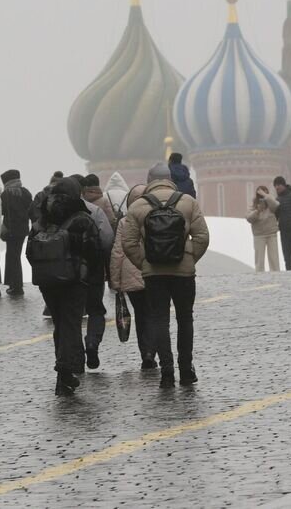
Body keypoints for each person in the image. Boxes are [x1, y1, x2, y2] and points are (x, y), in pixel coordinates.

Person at [120, 162, 210, 388]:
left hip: (154, 274)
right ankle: (187, 369)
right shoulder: (188, 202)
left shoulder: (138, 205)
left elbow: (128, 243)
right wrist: (188, 258)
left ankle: (167, 372)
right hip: (184, 274)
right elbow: (202, 237)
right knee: (184, 318)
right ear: (170, 178)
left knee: (159, 319)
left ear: (149, 180)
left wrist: (145, 263)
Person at [29, 177, 99, 395]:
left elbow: (30, 251)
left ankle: (64, 372)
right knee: (71, 324)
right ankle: (64, 368)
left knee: (60, 324)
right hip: (74, 281)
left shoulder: (42, 219)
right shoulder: (81, 219)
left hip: (47, 282)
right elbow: (94, 249)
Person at [108, 183, 157, 370]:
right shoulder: (158, 217)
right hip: (156, 273)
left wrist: (115, 280)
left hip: (131, 275)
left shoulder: (124, 222)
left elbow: (118, 252)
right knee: (155, 315)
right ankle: (154, 351)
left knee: (142, 315)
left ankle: (146, 352)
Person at [80, 173, 116, 369]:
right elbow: (107, 238)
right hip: (92, 268)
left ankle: (72, 358)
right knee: (95, 309)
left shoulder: (52, 211)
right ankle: (92, 342)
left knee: (68, 315)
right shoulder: (94, 210)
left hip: (64, 271)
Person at [31, 172, 65, 318]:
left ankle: (49, 307)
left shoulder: (40, 195)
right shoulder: (65, 196)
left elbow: (31, 213)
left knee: (48, 275)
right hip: (60, 241)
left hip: (43, 240)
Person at [0, 169, 32, 297]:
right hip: (23, 229)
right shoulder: (25, 192)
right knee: (16, 256)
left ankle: (16, 286)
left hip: (10, 229)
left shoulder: (6, 194)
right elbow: (31, 208)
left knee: (12, 257)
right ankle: (15, 284)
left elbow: (1, 211)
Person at [246, 185, 281, 272]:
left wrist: (266, 196)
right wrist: (257, 211)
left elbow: (277, 205)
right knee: (259, 258)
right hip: (259, 235)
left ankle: (276, 273)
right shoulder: (253, 206)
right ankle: (259, 273)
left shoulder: (271, 204)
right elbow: (249, 218)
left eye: (265, 193)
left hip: (271, 233)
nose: (262, 197)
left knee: (274, 258)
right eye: (260, 194)